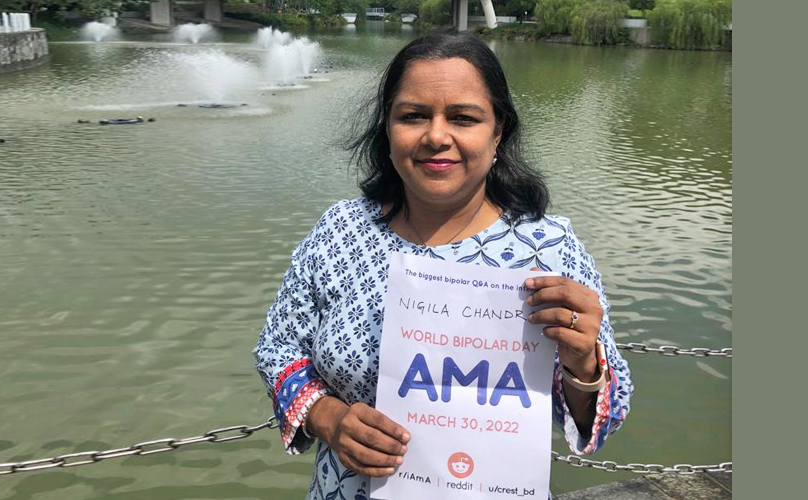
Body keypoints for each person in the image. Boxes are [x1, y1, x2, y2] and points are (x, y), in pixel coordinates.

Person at [253, 33, 633, 500]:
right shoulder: (340, 233)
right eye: (413, 116)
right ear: (387, 129)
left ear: (497, 132)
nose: (436, 136)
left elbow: (601, 420)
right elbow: (278, 348)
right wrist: (328, 417)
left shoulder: (550, 249)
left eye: (463, 118)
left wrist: (582, 361)